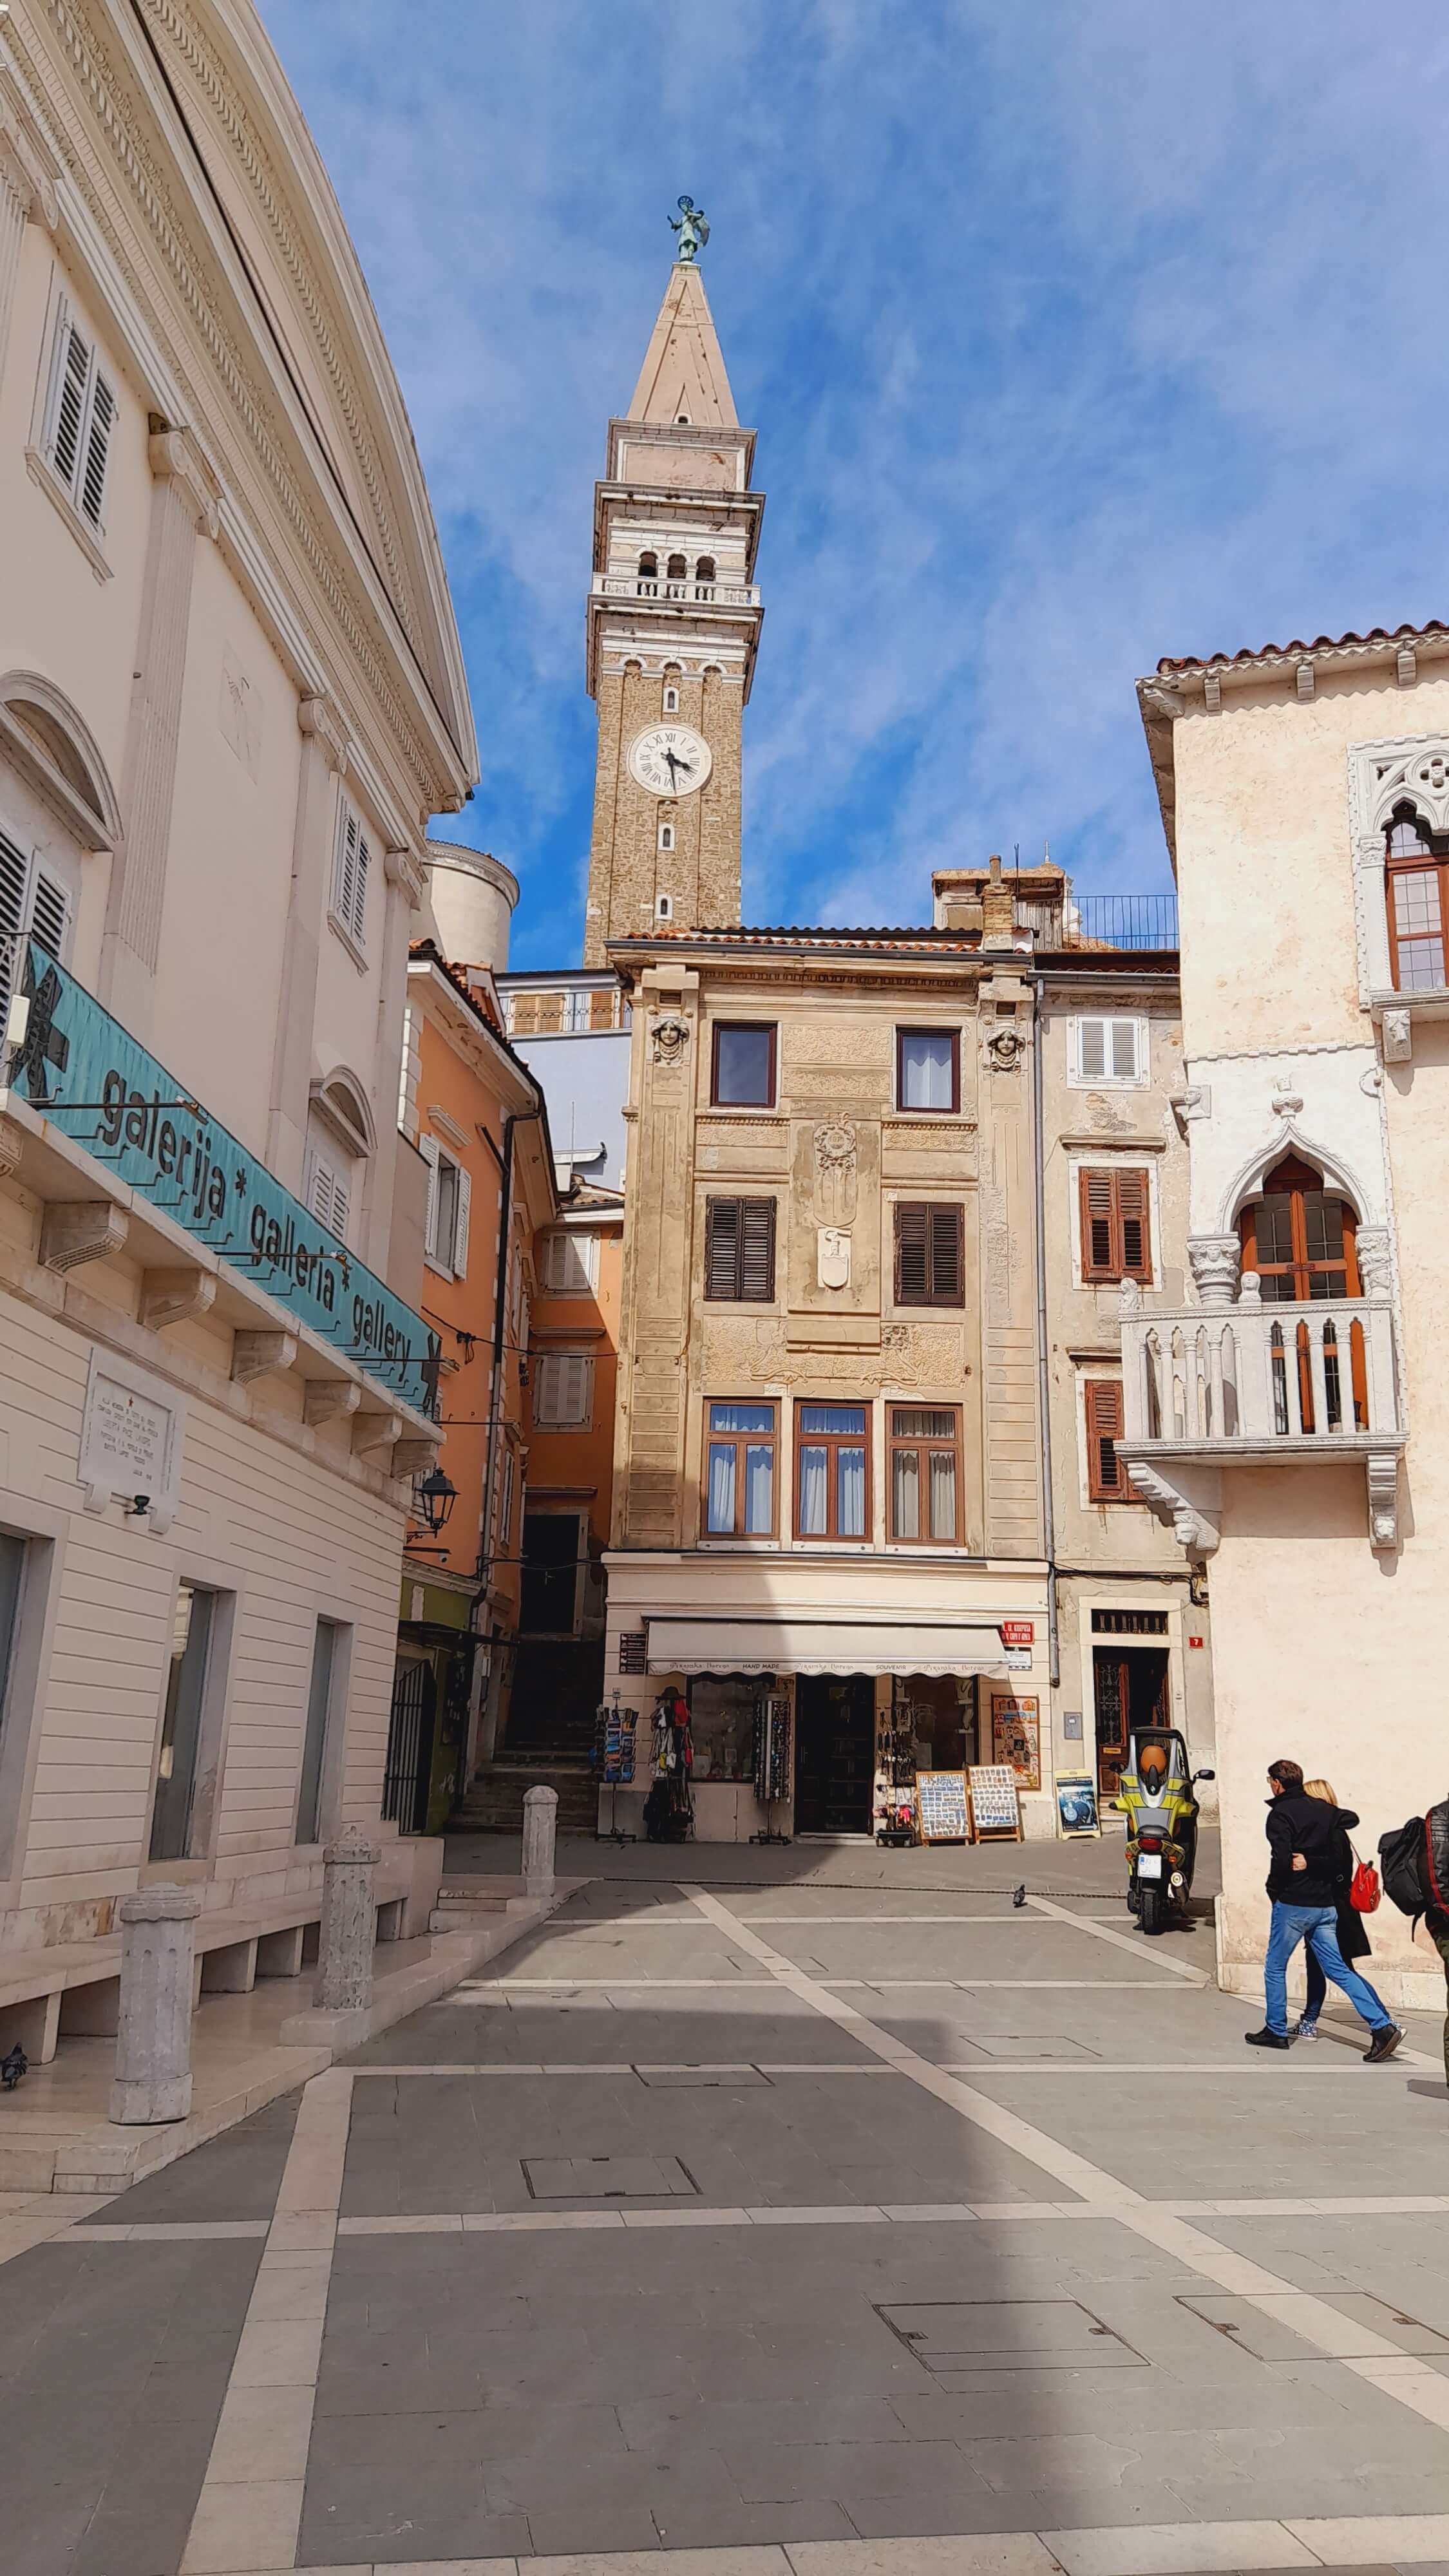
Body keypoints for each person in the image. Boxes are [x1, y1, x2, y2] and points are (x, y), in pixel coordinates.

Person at [1245, 1758, 1403, 2061]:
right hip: (1326, 1907)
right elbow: (1346, 1835)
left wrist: (1274, 1890)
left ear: (1277, 1783)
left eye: (1270, 1782)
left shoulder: (1280, 1814)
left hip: (1294, 1904)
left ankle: (1276, 2030)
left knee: (1275, 1966)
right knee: (1338, 1969)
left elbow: (1280, 1859)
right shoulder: (1327, 1812)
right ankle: (1382, 2026)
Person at [1293, 1778, 1374, 2041]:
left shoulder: (1332, 1833)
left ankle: (1383, 2022)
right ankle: (1309, 2021)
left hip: (1333, 1910)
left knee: (1342, 1970)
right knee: (1319, 1967)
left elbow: (1336, 1868)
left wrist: (1308, 1863)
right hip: (1328, 1908)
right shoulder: (1331, 1830)